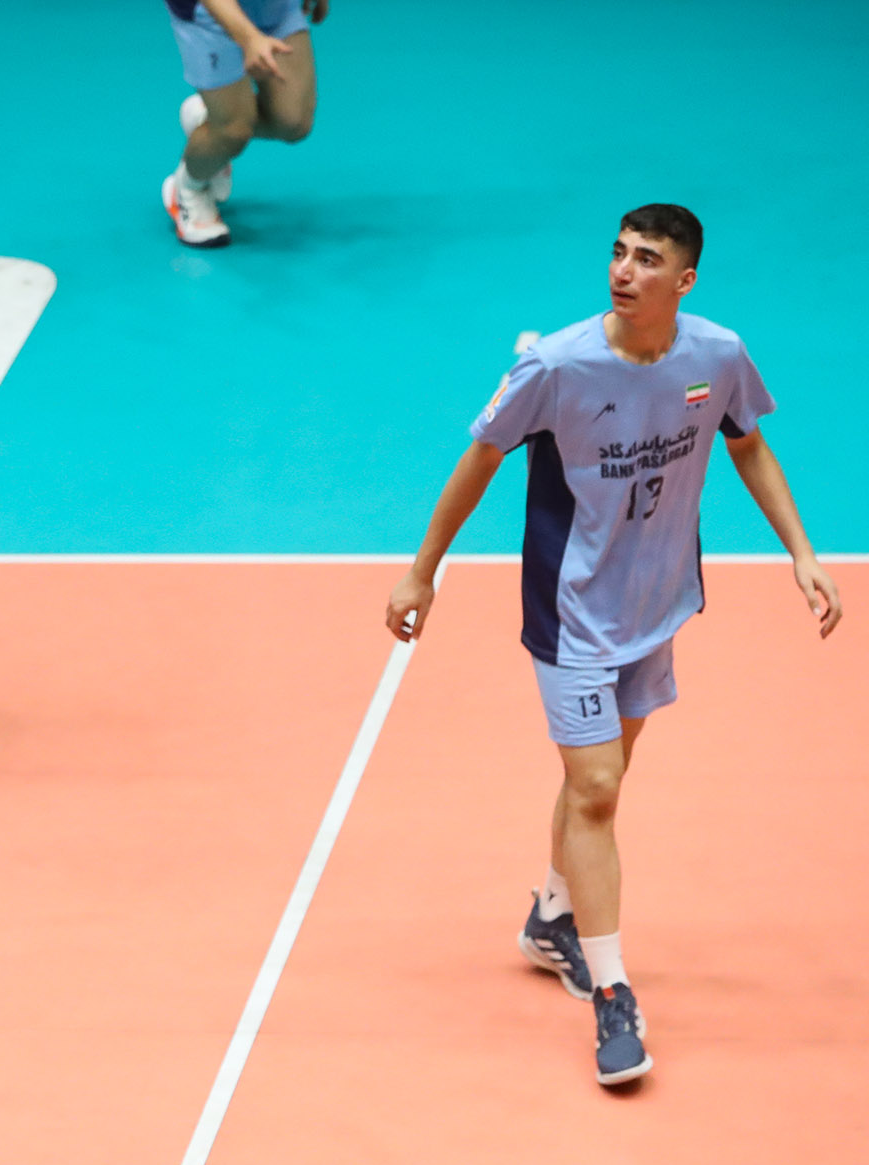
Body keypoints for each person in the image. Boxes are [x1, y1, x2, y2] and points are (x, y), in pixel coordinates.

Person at [386, 205, 843, 1086]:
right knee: (596, 785)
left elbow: (750, 446)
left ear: (685, 280)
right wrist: (422, 571)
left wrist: (802, 551)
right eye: (618, 253)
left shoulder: (717, 355)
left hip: (656, 602)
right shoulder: (556, 366)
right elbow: (479, 459)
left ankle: (552, 918)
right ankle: (613, 993)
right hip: (573, 613)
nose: (624, 271)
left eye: (647, 259)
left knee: (599, 781)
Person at [160, 0, 329, 247]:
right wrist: (249, 38)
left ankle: (211, 121)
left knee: (293, 122)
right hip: (207, 12)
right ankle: (188, 189)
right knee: (234, 130)